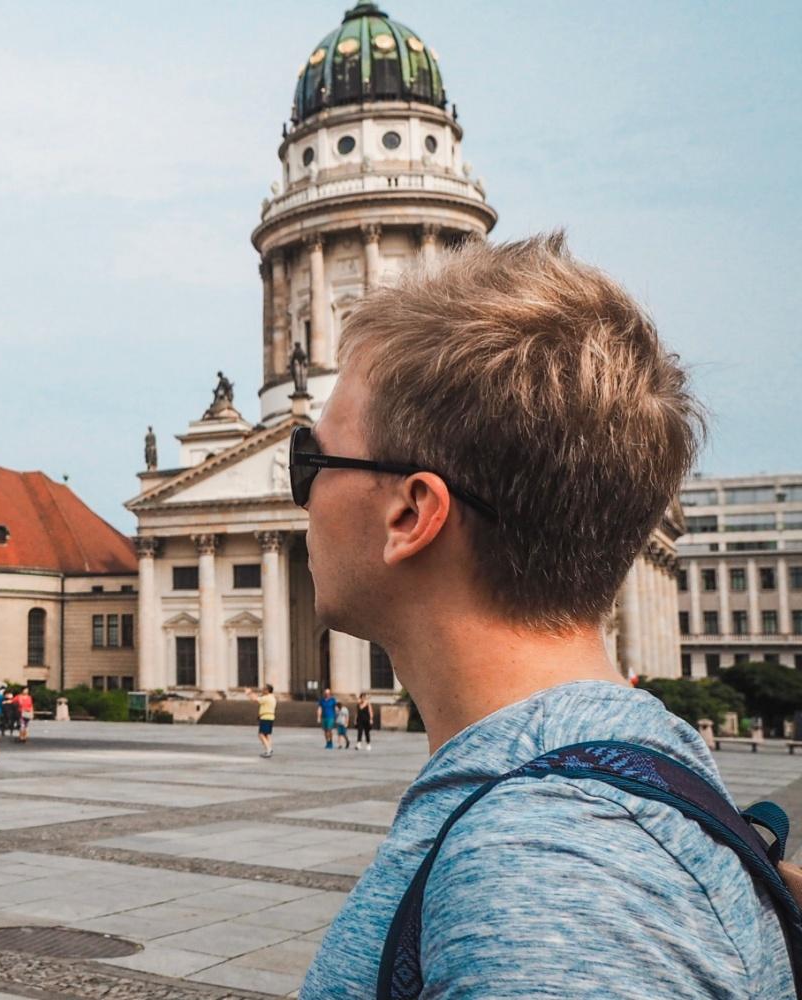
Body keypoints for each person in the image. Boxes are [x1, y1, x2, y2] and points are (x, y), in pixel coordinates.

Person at [296, 234, 791, 998]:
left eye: (309, 460)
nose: (302, 496)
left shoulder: (544, 871)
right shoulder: (628, 775)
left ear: (410, 512)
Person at [256, 684, 277, 758]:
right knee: (267, 734)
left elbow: (256, 699)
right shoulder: (272, 697)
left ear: (267, 690)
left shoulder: (266, 698)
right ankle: (269, 749)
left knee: (261, 734)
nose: (262, 690)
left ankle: (268, 749)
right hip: (270, 717)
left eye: (264, 689)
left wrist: (249, 693)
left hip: (265, 717)